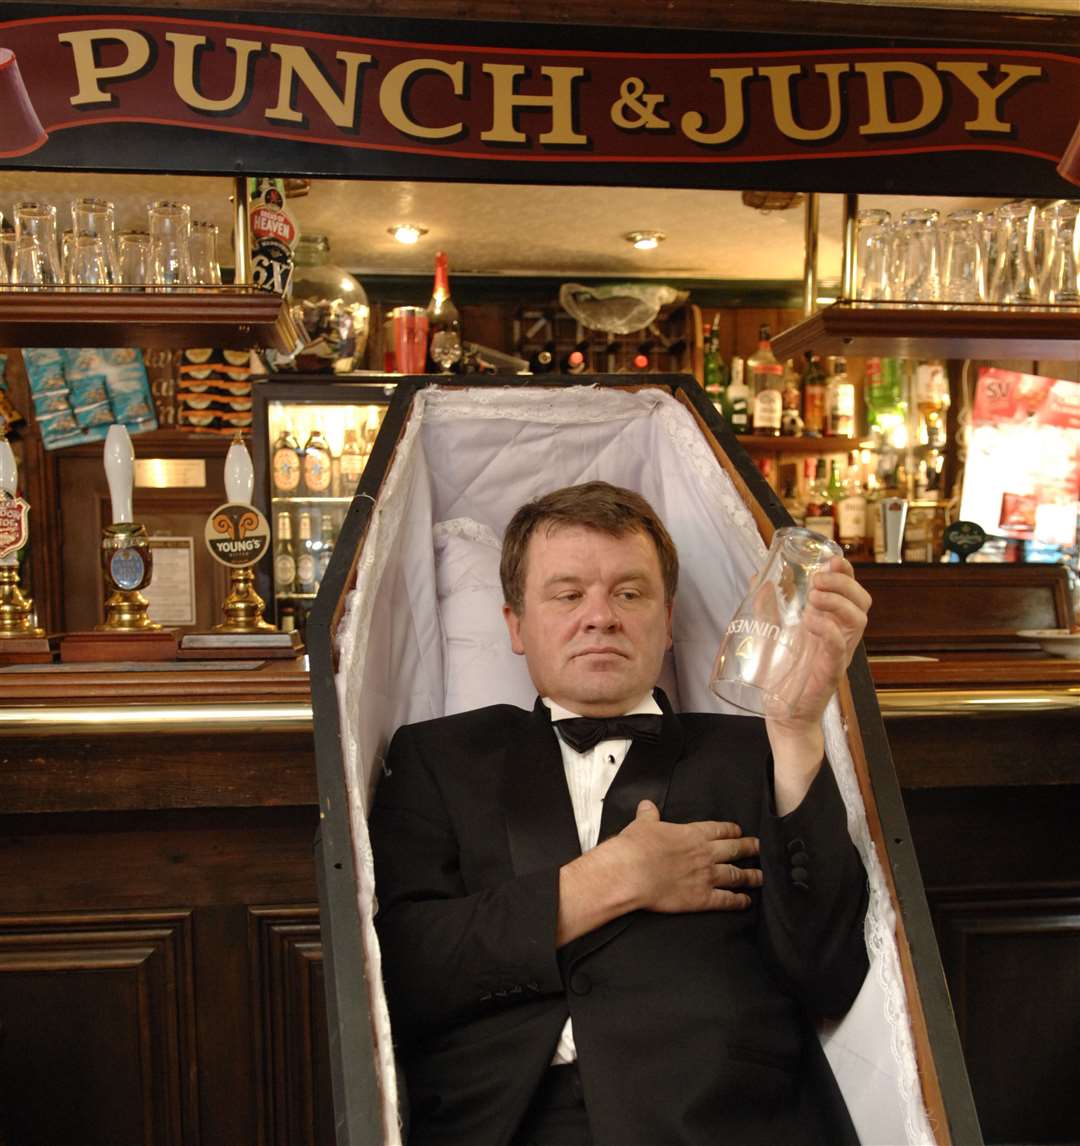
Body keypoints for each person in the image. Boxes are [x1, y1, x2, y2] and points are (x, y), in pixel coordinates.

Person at [370, 481, 872, 1146]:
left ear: (668, 625)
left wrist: (800, 732)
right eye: (568, 593)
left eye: (630, 593)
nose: (600, 616)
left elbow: (829, 977)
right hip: (508, 1122)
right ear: (516, 625)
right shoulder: (439, 757)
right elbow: (403, 974)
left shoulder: (756, 750)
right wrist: (610, 879)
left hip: (721, 1122)